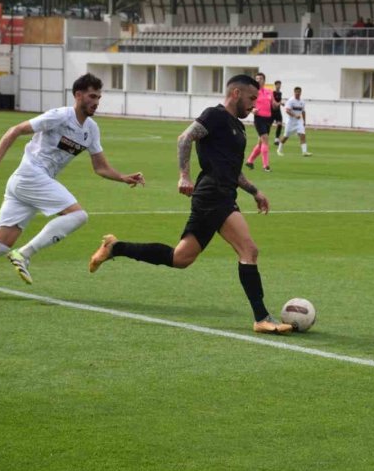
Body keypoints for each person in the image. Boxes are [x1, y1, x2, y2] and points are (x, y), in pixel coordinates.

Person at [87, 74, 293, 335]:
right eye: (252, 98)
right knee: (249, 250)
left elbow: (233, 170)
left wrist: (255, 191)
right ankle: (262, 317)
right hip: (213, 195)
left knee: (180, 258)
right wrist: (184, 174)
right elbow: (185, 138)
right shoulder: (215, 115)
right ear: (236, 94)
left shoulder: (238, 127)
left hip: (222, 194)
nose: (255, 105)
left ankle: (115, 247)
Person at [0, 73, 145, 299]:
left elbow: (100, 167)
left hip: (28, 182)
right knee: (79, 216)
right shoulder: (60, 116)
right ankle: (25, 253)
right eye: (92, 96)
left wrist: (123, 177)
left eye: (99, 97)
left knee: (1, 244)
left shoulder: (91, 129)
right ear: (78, 95)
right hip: (31, 175)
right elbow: (16, 129)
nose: (96, 102)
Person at [244, 72, 275, 172]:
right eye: (256, 79)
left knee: (261, 143)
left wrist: (278, 103)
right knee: (265, 140)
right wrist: (252, 110)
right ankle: (266, 166)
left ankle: (250, 161)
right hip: (259, 119)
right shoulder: (253, 92)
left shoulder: (269, 92)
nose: (258, 80)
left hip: (268, 119)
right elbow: (247, 105)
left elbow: (273, 105)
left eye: (260, 79)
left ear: (264, 81)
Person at [276, 86, 311, 157]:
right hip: (290, 121)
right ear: (294, 92)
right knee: (286, 136)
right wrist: (295, 115)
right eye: (296, 92)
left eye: (299, 92)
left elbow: (303, 111)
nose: (298, 93)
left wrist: (304, 121)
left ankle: (304, 152)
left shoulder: (302, 101)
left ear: (301, 93)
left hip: (299, 121)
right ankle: (279, 150)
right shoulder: (291, 101)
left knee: (302, 135)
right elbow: (287, 110)